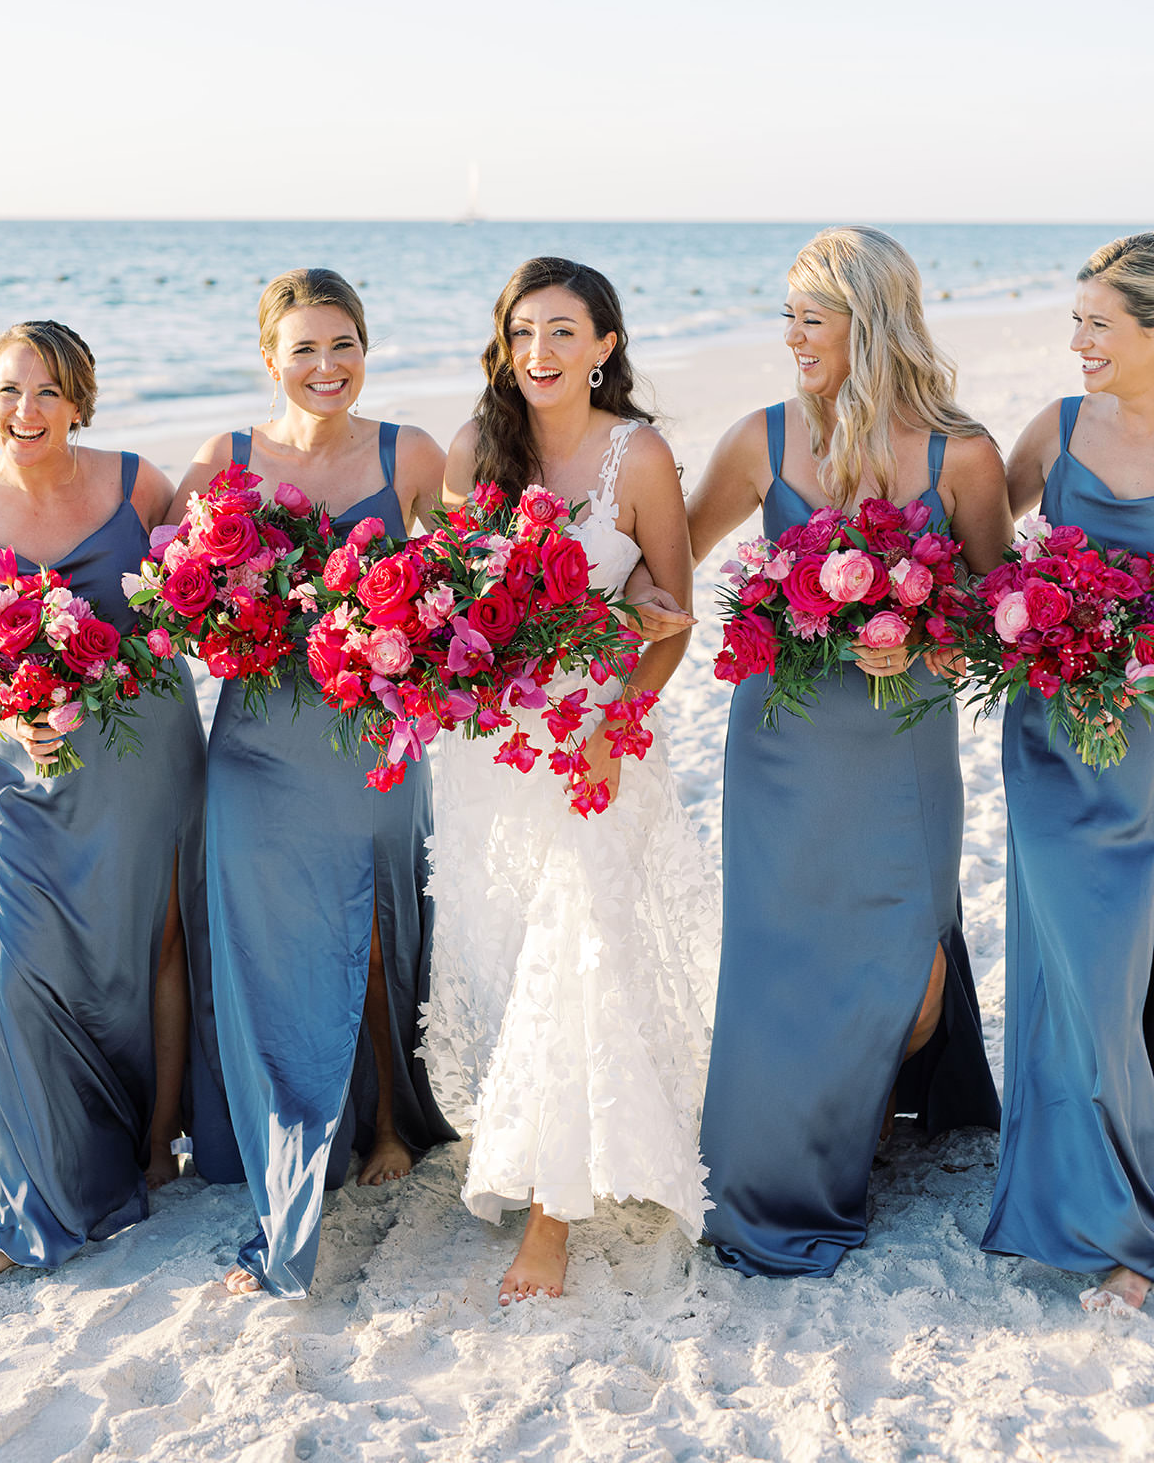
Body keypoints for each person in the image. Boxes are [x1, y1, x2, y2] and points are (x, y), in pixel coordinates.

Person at [675, 225, 1009, 1277]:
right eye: (787, 316)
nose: (791, 337)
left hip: (902, 743)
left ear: (868, 322)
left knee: (910, 966)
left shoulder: (965, 451)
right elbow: (668, 555)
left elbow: (1000, 608)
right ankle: (795, 1150)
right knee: (783, 950)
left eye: (809, 318)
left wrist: (925, 625)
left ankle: (870, 1097)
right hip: (778, 742)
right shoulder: (761, 440)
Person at [423, 256, 720, 1306]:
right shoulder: (475, 449)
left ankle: (550, 1221)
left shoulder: (639, 457)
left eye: (562, 332)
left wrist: (619, 723)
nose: (539, 353)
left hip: (599, 738)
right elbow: (451, 611)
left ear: (605, 345)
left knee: (579, 942)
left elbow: (673, 619)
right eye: (522, 333)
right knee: (523, 955)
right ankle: (565, 1138)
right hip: (493, 749)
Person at [171, 268, 455, 1299]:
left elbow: (483, 568)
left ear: (366, 347)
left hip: (373, 736)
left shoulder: (408, 453)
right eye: (304, 348)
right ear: (269, 358)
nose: (326, 366)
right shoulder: (224, 460)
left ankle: (387, 1121)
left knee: (375, 917)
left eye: (344, 344)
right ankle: (284, 1150)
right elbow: (168, 586)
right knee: (265, 937)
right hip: (256, 740)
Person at [0, 320, 240, 1298]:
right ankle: (27, 1209)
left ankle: (158, 1149)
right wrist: (0, 717)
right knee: (22, 972)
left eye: (44, 392)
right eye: (5, 391)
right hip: (25, 777)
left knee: (155, 946)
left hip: (147, 748)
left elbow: (194, 605)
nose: (23, 412)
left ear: (80, 398)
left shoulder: (140, 486)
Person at [981, 232, 1154, 1317]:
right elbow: (991, 554)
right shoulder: (1056, 427)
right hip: (1059, 741)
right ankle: (1111, 1216)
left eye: (1100, 323)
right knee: (1082, 975)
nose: (1079, 342)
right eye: (1075, 321)